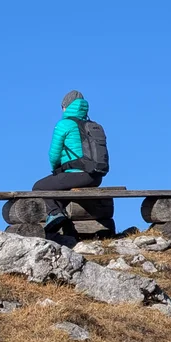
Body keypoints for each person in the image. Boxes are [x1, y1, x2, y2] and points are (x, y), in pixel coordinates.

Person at [33, 90, 108, 237]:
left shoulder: (64, 125)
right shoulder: (94, 126)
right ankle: (69, 231)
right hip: (96, 177)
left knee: (39, 186)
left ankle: (54, 214)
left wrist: (57, 170)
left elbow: (53, 154)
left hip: (75, 175)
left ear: (65, 107)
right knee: (61, 195)